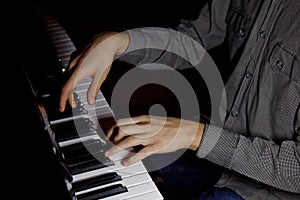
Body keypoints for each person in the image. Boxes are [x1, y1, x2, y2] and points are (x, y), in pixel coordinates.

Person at [59, 0, 300, 199]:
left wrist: (195, 135)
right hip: (215, 142)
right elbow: (192, 40)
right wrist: (120, 43)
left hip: (266, 189)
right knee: (103, 150)